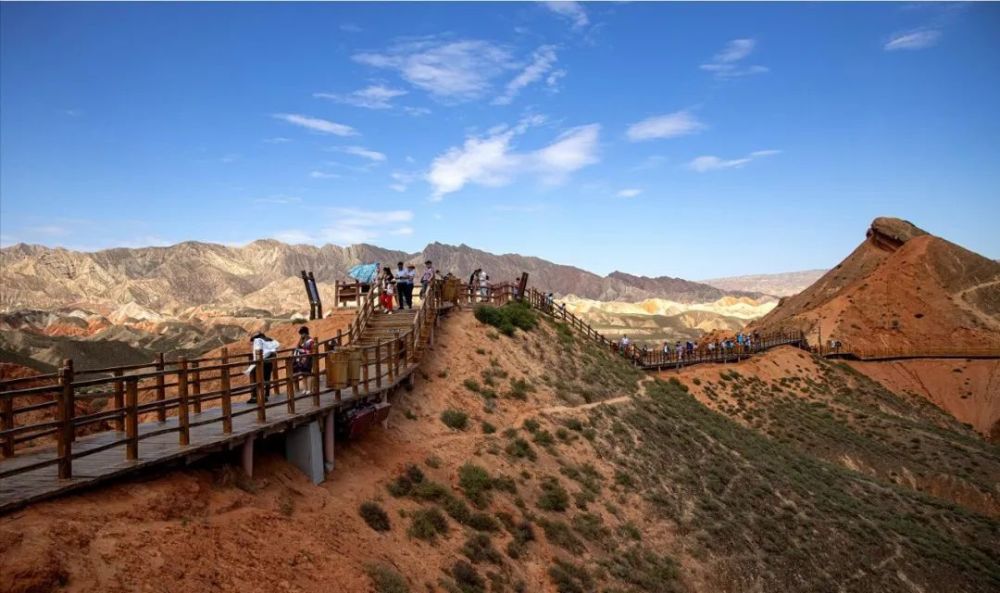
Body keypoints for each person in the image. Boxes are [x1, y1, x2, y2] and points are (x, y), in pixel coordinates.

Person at [249, 331, 280, 404]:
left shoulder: (259, 341)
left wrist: (256, 360)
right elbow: (275, 349)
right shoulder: (270, 340)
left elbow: (258, 352)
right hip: (269, 363)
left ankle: (258, 396)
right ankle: (266, 395)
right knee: (267, 378)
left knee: (258, 379)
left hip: (261, 363)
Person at [293, 326, 316, 393]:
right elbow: (297, 347)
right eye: (301, 333)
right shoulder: (301, 340)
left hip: (308, 358)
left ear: (306, 333)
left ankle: (309, 389)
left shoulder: (310, 340)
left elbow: (311, 350)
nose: (301, 335)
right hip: (301, 358)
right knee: (303, 374)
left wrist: (303, 351)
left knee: (308, 374)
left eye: (302, 333)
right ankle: (305, 388)